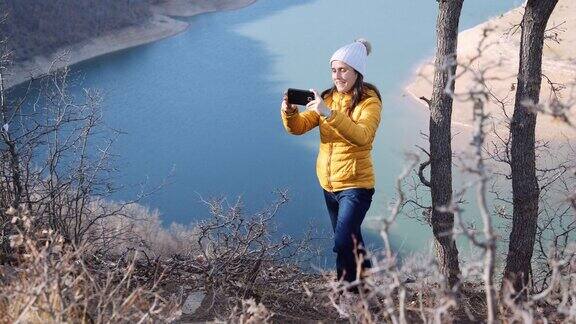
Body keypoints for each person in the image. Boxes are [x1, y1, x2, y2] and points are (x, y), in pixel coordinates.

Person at [280, 39, 382, 287]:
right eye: (334, 70)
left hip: (356, 185)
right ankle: (356, 289)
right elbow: (299, 128)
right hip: (329, 185)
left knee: (342, 241)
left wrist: (329, 114)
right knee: (351, 240)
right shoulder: (328, 98)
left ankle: (356, 288)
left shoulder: (369, 102)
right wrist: (290, 111)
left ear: (357, 72)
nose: (337, 76)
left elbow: (363, 136)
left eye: (343, 70)